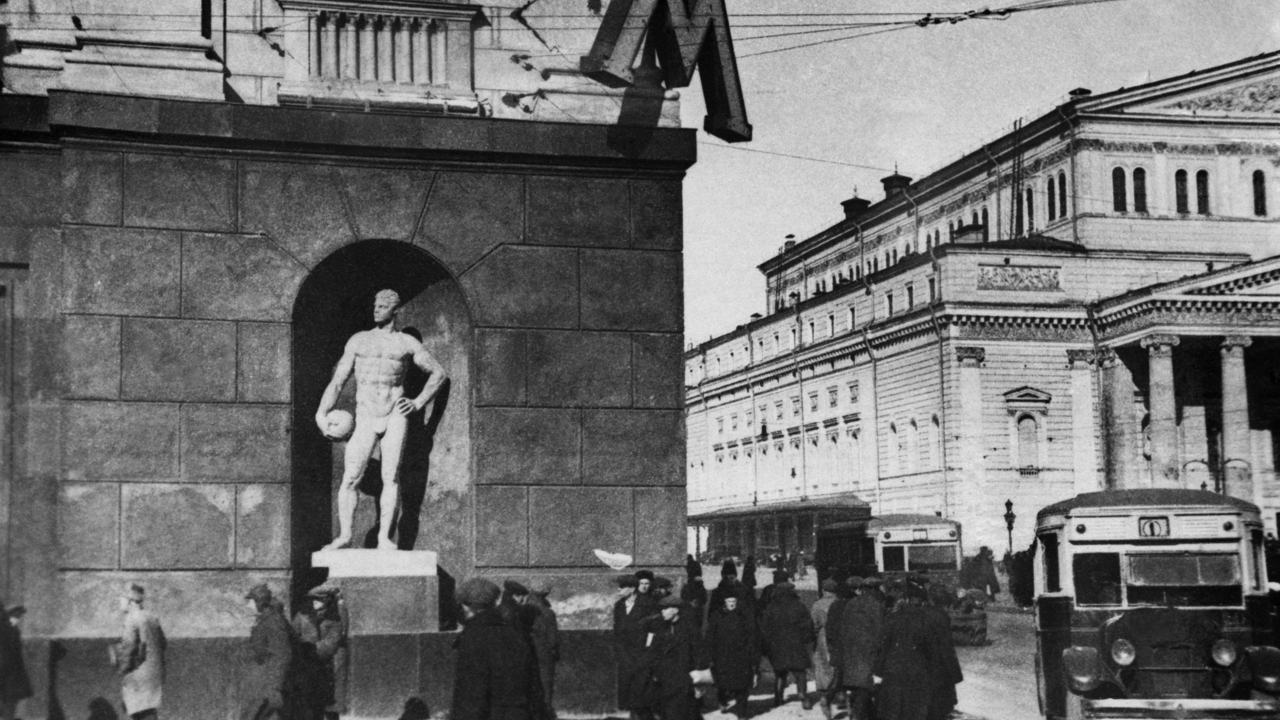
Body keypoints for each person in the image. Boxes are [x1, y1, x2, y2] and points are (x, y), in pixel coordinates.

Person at [315, 288, 447, 551]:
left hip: (395, 412)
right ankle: (345, 536)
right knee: (351, 477)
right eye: (375, 305)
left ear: (395, 311)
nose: (376, 310)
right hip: (365, 413)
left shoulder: (407, 343)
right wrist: (321, 413)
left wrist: (418, 402)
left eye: (383, 306)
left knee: (391, 476)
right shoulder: (358, 340)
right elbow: (338, 380)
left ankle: (385, 538)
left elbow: (439, 374)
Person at [452, 578, 545, 720]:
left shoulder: (472, 637)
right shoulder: (518, 633)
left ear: (467, 606)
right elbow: (535, 686)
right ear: (494, 602)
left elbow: (471, 695)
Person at [873, 584, 938, 720]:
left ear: (906, 599)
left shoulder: (892, 618)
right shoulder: (927, 620)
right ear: (922, 601)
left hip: (893, 670)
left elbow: (883, 646)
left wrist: (878, 671)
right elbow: (932, 650)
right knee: (915, 709)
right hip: (918, 670)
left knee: (893, 708)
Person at [642, 595, 708, 720]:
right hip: (663, 679)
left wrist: (700, 682)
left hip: (684, 679)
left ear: (675, 610)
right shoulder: (660, 627)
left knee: (683, 712)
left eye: (665, 608)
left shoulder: (690, 628)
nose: (662, 611)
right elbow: (653, 652)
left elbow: (700, 653)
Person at [291, 585, 350, 720]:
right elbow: (293, 636)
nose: (314, 602)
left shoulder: (335, 618)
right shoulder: (302, 615)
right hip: (307, 667)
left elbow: (330, 644)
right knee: (309, 705)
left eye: (318, 599)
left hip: (328, 667)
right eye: (312, 599)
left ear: (327, 600)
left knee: (330, 705)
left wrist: (309, 651)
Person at [111, 584, 166, 720]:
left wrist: (119, 666)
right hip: (154, 673)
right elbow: (163, 643)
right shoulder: (152, 617)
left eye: (121, 599)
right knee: (149, 712)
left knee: (138, 713)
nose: (119, 602)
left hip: (138, 676)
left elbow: (129, 650)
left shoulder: (131, 619)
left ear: (130, 600)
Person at [759, 580, 815, 709]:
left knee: (780, 673)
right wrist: (807, 640)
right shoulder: (799, 606)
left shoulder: (771, 607)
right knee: (800, 673)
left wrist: (766, 646)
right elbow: (807, 626)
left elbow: (765, 628)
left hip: (777, 646)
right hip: (796, 644)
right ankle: (802, 696)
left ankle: (778, 698)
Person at [242, 584, 293, 720]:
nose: (247, 605)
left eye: (250, 602)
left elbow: (283, 653)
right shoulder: (264, 619)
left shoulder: (273, 621)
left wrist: (274, 685)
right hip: (263, 680)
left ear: (259, 602)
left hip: (270, 683)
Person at [705, 590, 758, 718]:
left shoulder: (745, 616)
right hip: (722, 656)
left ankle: (742, 713)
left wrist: (753, 655)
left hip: (741, 656)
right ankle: (722, 701)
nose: (732, 604)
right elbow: (710, 636)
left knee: (742, 685)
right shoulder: (717, 616)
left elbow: (752, 636)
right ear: (724, 602)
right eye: (729, 601)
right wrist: (710, 655)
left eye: (734, 601)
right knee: (723, 683)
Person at [838, 576, 884, 720]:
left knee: (857, 685)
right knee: (866, 685)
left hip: (851, 650)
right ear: (875, 589)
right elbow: (880, 630)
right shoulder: (876, 605)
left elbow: (844, 628)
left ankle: (861, 713)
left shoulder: (851, 603)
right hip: (868, 650)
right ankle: (856, 715)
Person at [613, 575, 652, 720]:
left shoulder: (647, 604)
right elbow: (617, 628)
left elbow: (653, 629)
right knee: (626, 683)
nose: (619, 589)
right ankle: (631, 712)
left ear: (632, 589)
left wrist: (648, 649)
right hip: (624, 652)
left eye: (622, 587)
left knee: (640, 685)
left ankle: (639, 714)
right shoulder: (619, 605)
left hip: (641, 651)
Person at [923, 585, 963, 720]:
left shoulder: (923, 611)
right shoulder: (941, 616)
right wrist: (954, 672)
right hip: (939, 663)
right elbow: (946, 646)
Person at [526, 582, 561, 720]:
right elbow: (553, 640)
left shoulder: (523, 609)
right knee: (545, 688)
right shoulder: (547, 613)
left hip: (527, 653)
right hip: (544, 655)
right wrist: (554, 653)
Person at [810, 579, 839, 720]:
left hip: (823, 636)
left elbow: (814, 624)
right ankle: (837, 690)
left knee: (822, 663)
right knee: (836, 663)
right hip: (838, 636)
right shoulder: (839, 603)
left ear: (823, 590)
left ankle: (825, 691)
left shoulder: (817, 605)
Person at [0, 605, 32, 720]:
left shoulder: (9, 628)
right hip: (8, 675)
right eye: (16, 616)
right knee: (9, 705)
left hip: (9, 676)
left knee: (8, 705)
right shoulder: (7, 627)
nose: (17, 619)